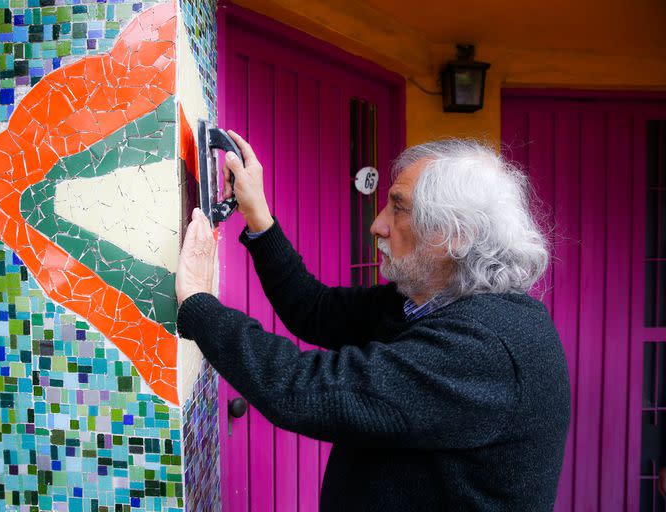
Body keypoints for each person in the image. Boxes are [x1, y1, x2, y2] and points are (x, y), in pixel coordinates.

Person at [175, 133, 571, 511]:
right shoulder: (428, 299)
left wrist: (197, 303)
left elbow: (302, 389)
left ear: (456, 235)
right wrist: (257, 215)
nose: (378, 225)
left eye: (398, 208)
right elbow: (314, 309)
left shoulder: (487, 348)